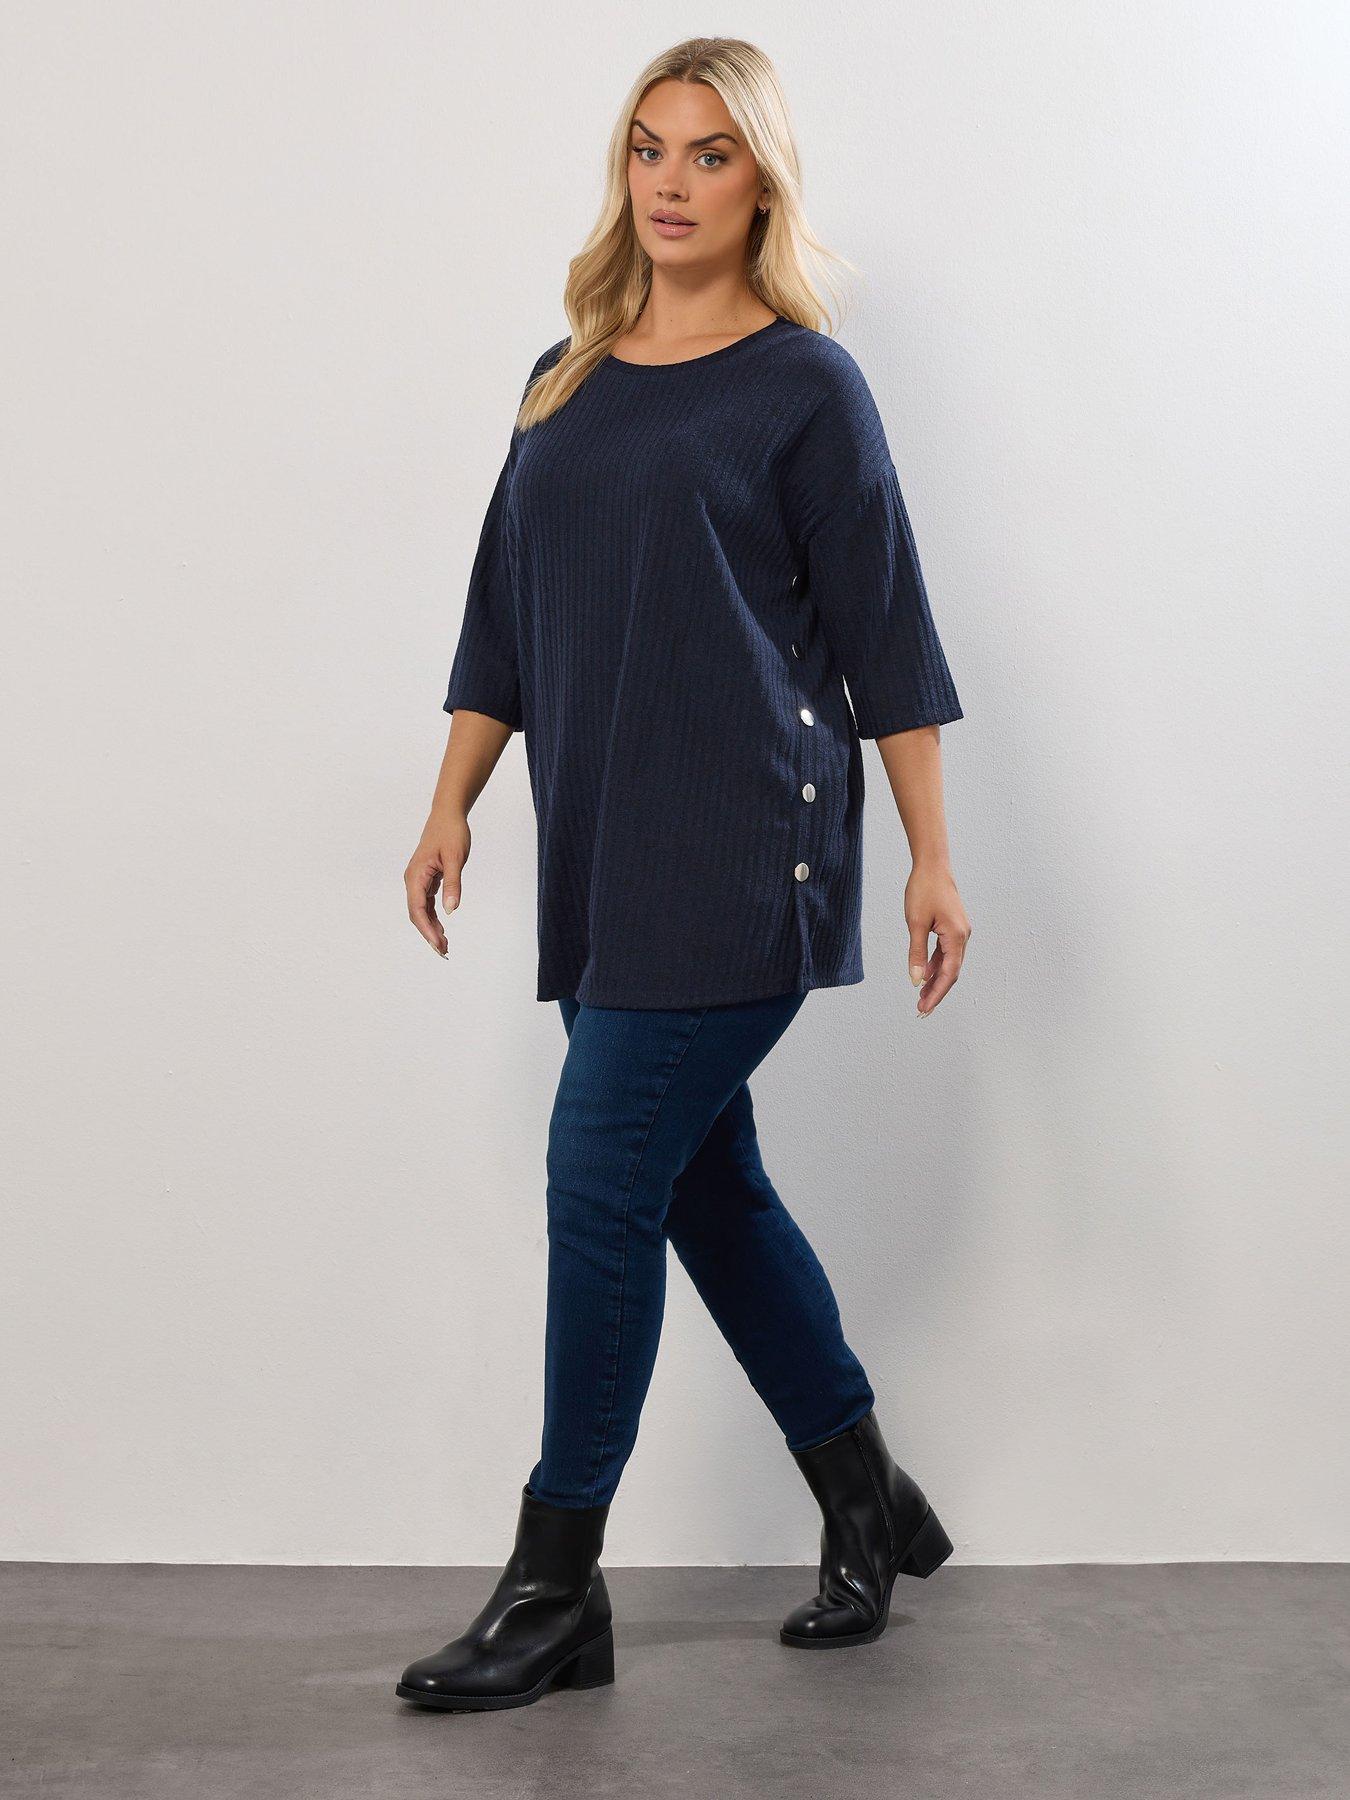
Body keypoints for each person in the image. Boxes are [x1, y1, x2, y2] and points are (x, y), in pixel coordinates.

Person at [396, 36, 971, 1713]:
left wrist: (932, 860)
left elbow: (885, 638)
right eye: (648, 147)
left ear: (761, 181)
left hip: (746, 849)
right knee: (703, 1190)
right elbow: (502, 613)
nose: (669, 181)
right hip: (603, 851)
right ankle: (865, 1497)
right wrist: (450, 803)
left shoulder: (806, 387)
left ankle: (552, 1586)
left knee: (598, 1181)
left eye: (710, 154)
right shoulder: (563, 377)